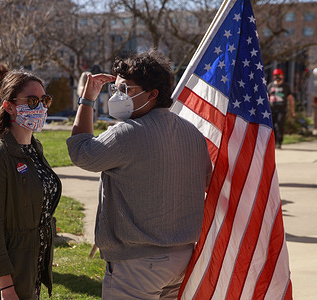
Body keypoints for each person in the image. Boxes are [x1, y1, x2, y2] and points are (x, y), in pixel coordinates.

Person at [67, 50, 211, 299]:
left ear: (152, 94)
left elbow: (81, 153)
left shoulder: (127, 133)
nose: (117, 96)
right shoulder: (193, 133)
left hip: (138, 262)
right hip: (182, 256)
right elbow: (207, 181)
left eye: (126, 90)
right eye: (116, 89)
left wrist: (87, 100)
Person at [0, 70, 61, 299]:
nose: (40, 107)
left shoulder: (34, 147)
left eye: (44, 100)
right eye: (32, 101)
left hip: (30, 268)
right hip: (7, 278)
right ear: (9, 106)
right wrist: (6, 287)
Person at [267, 68, 295, 149]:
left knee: (279, 125)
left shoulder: (285, 87)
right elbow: (266, 98)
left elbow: (290, 98)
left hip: (281, 110)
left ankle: (279, 142)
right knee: (272, 126)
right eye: (276, 76)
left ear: (282, 76)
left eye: (279, 75)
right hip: (271, 110)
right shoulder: (270, 86)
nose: (278, 77)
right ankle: (272, 142)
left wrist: (292, 110)